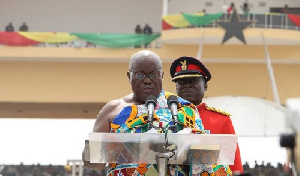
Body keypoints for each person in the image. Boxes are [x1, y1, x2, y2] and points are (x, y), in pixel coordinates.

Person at [83, 50, 233, 175]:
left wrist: (185, 145)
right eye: (140, 74)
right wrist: (98, 151)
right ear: (129, 76)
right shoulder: (113, 110)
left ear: (161, 76)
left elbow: (207, 159)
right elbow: (92, 161)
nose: (147, 80)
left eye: (153, 74)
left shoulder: (183, 108)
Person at [170, 56, 244, 174]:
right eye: (182, 82)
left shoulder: (221, 120)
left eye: (193, 81)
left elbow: (235, 166)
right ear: (176, 87)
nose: (187, 86)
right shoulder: (165, 118)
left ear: (205, 86)